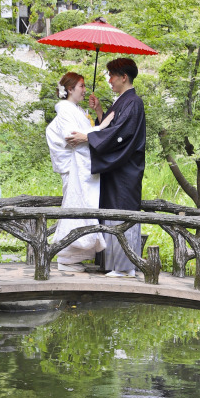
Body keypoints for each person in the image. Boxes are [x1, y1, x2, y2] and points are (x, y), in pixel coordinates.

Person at [67, 57, 146, 277]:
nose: (109, 79)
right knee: (112, 212)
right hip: (116, 168)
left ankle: (124, 266)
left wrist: (88, 138)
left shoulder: (133, 102)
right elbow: (109, 126)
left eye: (112, 75)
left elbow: (119, 134)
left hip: (125, 170)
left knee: (122, 212)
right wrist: (100, 110)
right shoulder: (123, 100)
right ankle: (117, 264)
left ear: (124, 77)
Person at [44, 72, 108, 271]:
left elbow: (85, 136)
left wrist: (98, 112)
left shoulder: (75, 109)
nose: (84, 90)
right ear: (70, 89)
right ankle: (65, 256)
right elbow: (73, 138)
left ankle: (74, 256)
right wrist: (104, 126)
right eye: (81, 86)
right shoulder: (65, 110)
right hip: (75, 168)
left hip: (82, 168)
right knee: (75, 210)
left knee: (83, 209)